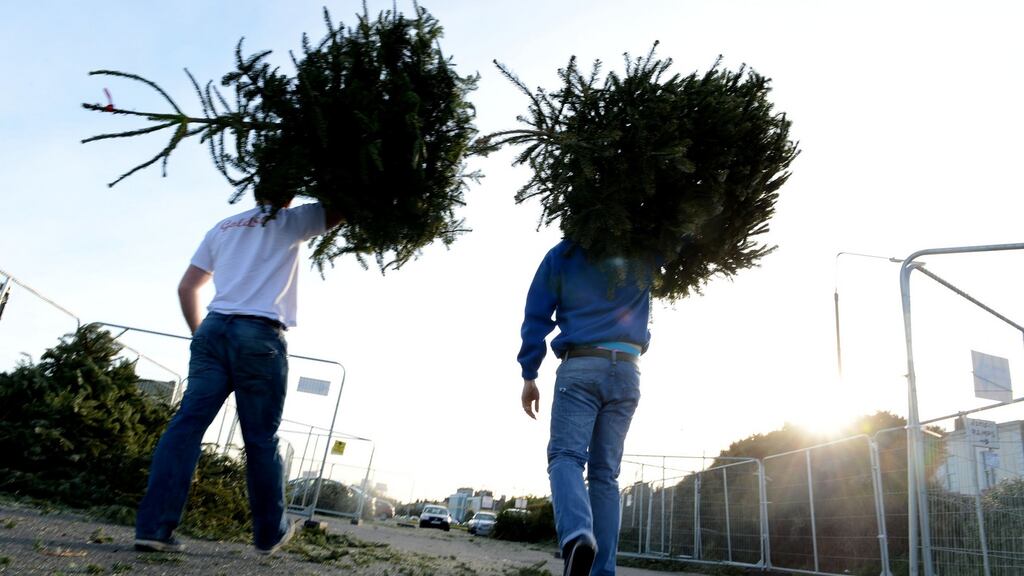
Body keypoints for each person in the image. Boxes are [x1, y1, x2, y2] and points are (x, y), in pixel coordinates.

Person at [134, 197, 343, 555]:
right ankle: (269, 532)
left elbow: (187, 287)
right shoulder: (293, 219)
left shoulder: (222, 227)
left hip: (213, 329)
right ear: (288, 191)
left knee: (185, 427)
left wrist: (200, 336)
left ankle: (153, 529)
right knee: (260, 438)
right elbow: (346, 204)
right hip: (258, 336)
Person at [518, 239, 652, 576]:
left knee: (566, 457)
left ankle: (578, 536)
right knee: (605, 475)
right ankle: (602, 571)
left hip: (581, 364)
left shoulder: (563, 255)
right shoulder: (643, 247)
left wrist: (530, 373)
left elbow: (536, 313)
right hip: (628, 368)